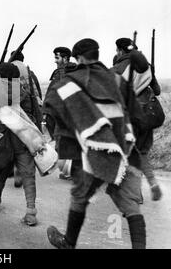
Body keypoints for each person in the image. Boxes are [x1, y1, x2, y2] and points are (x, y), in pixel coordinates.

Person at [45, 38, 147, 249]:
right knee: (130, 204)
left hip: (90, 151)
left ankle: (68, 243)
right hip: (122, 148)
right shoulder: (118, 80)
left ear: (79, 58)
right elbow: (137, 116)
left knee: (80, 196)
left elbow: (53, 110)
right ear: (97, 54)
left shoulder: (68, 83)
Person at [0, 63, 40, 226]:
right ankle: (31, 212)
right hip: (24, 138)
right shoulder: (25, 91)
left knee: (2, 170)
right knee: (28, 174)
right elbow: (33, 114)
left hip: (4, 139)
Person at [112, 38, 162, 201]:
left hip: (132, 117)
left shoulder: (117, 69)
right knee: (142, 153)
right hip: (149, 115)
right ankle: (153, 183)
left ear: (120, 51)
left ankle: (135, 194)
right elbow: (157, 90)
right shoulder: (146, 66)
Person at [8, 50, 43, 187]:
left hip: (14, 112)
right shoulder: (29, 72)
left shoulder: (10, 71)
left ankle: (15, 168)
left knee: (13, 142)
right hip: (30, 112)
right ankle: (24, 170)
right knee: (27, 143)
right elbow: (37, 92)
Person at [44, 47, 77, 181]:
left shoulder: (62, 73)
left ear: (65, 58)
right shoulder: (76, 71)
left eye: (57, 58)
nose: (55, 61)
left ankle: (70, 172)